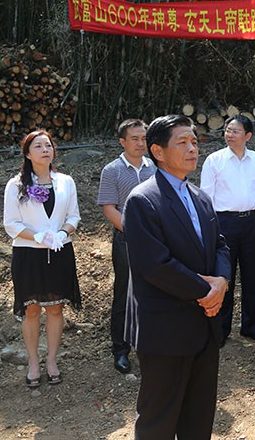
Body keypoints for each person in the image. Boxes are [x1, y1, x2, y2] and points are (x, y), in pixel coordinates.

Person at [122, 115, 231, 440]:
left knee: (199, 418)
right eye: (182, 142)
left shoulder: (200, 197)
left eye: (194, 141)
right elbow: (155, 265)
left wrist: (222, 282)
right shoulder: (143, 200)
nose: (192, 149)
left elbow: (220, 246)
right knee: (159, 419)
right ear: (157, 151)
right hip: (165, 330)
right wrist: (206, 291)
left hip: (204, 327)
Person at [3, 130, 81, 388]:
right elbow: (11, 223)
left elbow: (73, 216)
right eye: (38, 146)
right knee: (32, 308)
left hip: (59, 251)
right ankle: (33, 362)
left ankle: (52, 360)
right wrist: (37, 236)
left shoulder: (66, 181)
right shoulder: (16, 185)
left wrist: (61, 233)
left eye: (48, 145)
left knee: (56, 307)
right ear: (27, 153)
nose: (45, 150)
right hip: (28, 253)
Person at [201, 115, 255, 344]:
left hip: (253, 222)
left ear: (248, 136)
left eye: (235, 131)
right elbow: (206, 199)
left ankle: (251, 327)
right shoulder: (214, 160)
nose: (229, 134)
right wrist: (210, 232)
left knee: (252, 278)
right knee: (225, 277)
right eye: (227, 130)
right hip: (224, 224)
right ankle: (220, 330)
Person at [97, 119, 156, 374]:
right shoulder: (112, 170)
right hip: (126, 240)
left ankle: (150, 345)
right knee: (124, 293)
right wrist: (134, 231)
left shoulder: (155, 167)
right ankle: (120, 349)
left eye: (144, 138)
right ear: (123, 142)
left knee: (153, 292)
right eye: (135, 139)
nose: (141, 143)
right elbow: (109, 208)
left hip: (155, 241)